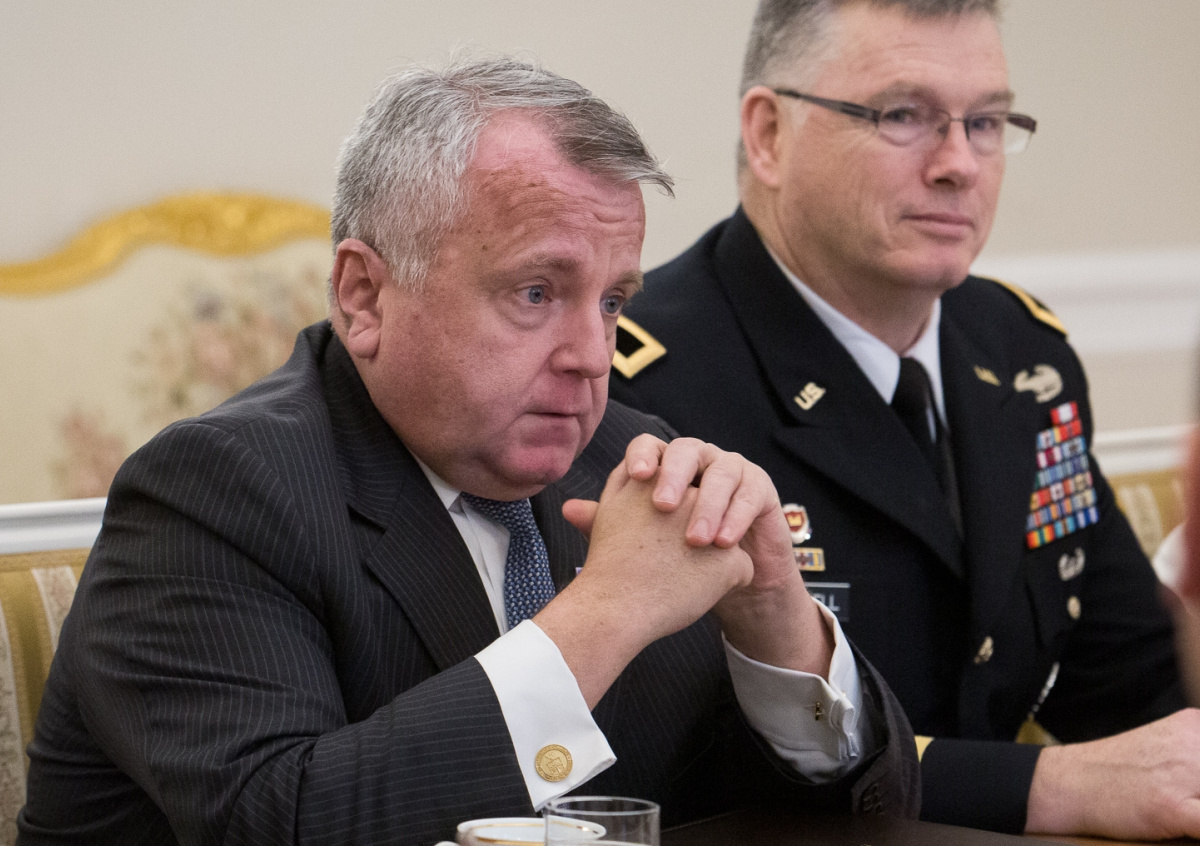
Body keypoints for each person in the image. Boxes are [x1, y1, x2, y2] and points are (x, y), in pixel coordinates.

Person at [16, 57, 919, 845]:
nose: (592, 355)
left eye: (612, 301)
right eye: (536, 292)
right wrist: (604, 614)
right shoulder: (215, 494)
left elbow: (855, 817)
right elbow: (282, 822)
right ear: (364, 296)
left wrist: (779, 634)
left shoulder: (634, 464)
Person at [610, 0, 1200, 839]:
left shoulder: (1023, 357)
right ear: (769, 135)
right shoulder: (647, 386)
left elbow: (1133, 687)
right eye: (903, 116)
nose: (959, 164)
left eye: (986, 122)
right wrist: (1046, 785)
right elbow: (695, 762)